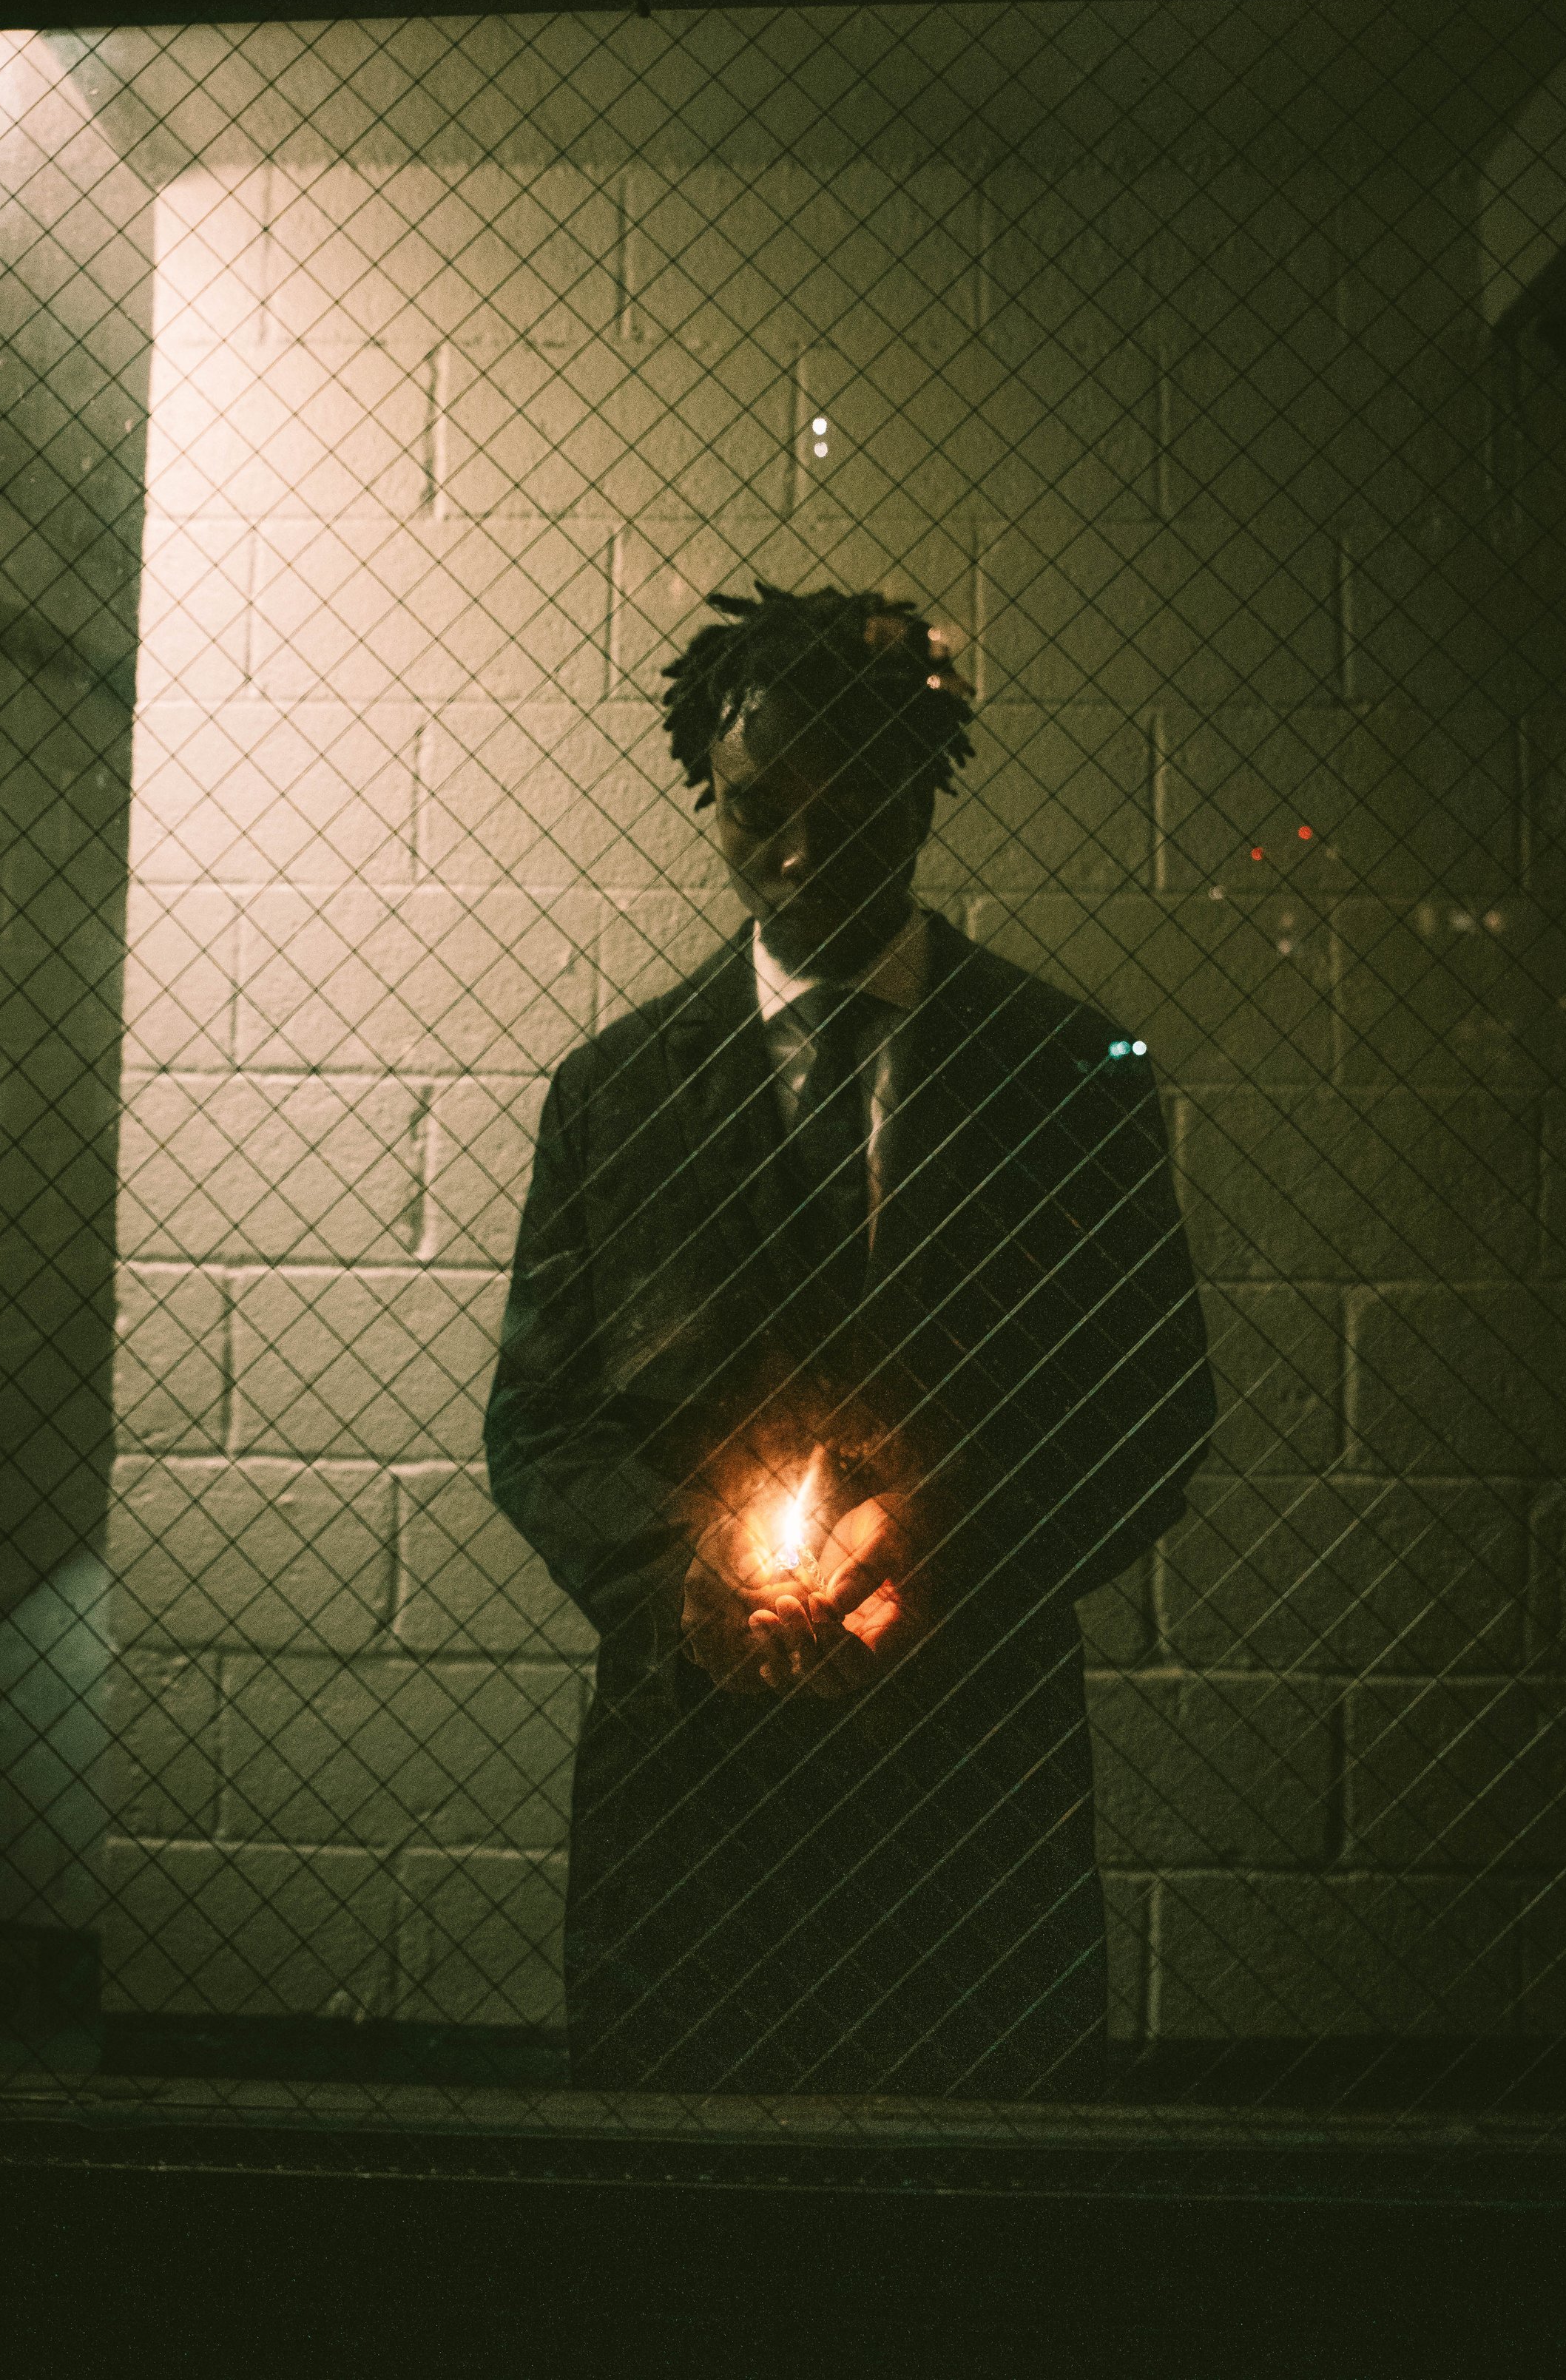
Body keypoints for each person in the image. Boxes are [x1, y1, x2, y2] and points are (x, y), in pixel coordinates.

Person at [485, 582, 1214, 2097]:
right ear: (710, 791)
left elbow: (1152, 1402)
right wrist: (686, 1576)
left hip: (966, 1765)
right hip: (693, 1784)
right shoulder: (614, 1094)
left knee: (972, 2186)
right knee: (686, 2187)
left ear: (922, 795)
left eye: (852, 805)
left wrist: (940, 1541)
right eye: (761, 811)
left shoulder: (1067, 1075)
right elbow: (539, 1423)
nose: (801, 856)